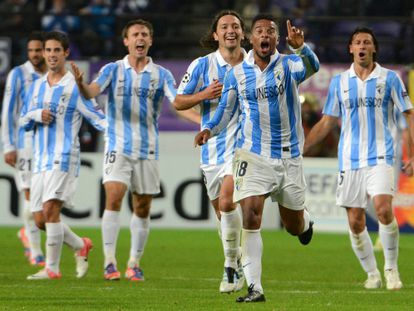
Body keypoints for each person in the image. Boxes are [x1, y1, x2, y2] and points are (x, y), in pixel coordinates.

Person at [195, 14, 319, 302]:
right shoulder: (237, 73)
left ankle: (305, 221)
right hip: (253, 154)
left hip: (288, 157)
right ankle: (255, 287)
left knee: (293, 225)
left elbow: (313, 67)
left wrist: (302, 48)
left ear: (276, 39)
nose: (265, 35)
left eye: (271, 32)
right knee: (250, 214)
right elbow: (226, 110)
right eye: (260, 31)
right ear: (251, 39)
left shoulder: (289, 65)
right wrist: (209, 129)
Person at [71, 19, 186, 281]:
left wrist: (202, 116)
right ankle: (109, 261)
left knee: (143, 206)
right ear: (126, 41)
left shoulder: (162, 75)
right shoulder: (113, 69)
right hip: (117, 145)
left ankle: (134, 262)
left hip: (148, 148)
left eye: (145, 34)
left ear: (151, 40)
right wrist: (80, 84)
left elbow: (177, 102)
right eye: (135, 34)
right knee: (113, 197)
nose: (140, 38)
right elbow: (91, 91)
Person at [303, 27, 414, 290]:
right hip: (350, 159)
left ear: (374, 48)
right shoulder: (339, 82)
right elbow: (329, 121)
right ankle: (372, 274)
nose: (362, 45)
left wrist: (412, 153)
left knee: (384, 209)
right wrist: (304, 146)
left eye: (366, 42)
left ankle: (391, 270)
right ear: (350, 49)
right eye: (357, 42)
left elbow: (408, 114)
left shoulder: (390, 79)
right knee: (355, 220)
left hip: (381, 155)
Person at [20, 31, 106, 280]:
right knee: (39, 220)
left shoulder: (75, 87)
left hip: (64, 156)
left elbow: (97, 117)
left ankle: (52, 269)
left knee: (50, 210)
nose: (52, 55)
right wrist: (37, 115)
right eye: (48, 50)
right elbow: (23, 119)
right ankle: (80, 245)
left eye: (57, 50)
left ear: (66, 53)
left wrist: (117, 134)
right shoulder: (35, 87)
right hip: (40, 159)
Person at [173, 10, 247, 293]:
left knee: (228, 202)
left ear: (242, 33)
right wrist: (204, 94)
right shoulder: (203, 65)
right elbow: (178, 102)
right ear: (215, 34)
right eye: (225, 26)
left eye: (236, 26)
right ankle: (236, 260)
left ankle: (230, 267)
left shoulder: (254, 64)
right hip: (211, 150)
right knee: (222, 212)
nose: (231, 30)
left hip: (245, 149)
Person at [1, 31, 47, 267]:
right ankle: (36, 251)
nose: (35, 55)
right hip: (24, 144)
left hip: (48, 145)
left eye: (39, 50)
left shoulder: (54, 75)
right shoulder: (18, 75)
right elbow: (8, 111)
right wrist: (8, 145)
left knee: (43, 199)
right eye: (31, 51)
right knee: (30, 196)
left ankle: (26, 234)